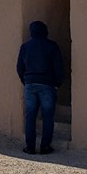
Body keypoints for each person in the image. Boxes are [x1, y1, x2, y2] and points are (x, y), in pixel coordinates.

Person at [17, 21, 63, 155]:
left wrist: (25, 81)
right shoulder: (52, 46)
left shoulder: (25, 47)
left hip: (30, 84)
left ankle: (30, 146)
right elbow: (58, 67)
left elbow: (19, 67)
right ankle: (45, 146)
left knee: (30, 116)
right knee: (48, 116)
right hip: (47, 85)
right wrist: (57, 83)